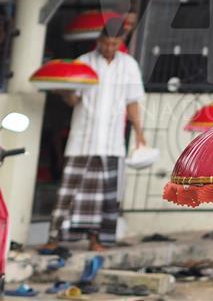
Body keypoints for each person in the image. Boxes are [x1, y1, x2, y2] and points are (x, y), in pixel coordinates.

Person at [41, 18, 146, 252]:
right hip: (82, 139)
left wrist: (139, 133)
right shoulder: (83, 63)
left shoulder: (129, 65)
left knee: (105, 197)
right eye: (106, 43)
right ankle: (55, 238)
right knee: (69, 192)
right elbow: (74, 100)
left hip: (111, 142)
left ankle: (96, 240)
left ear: (122, 42)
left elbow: (133, 102)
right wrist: (65, 92)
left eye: (114, 44)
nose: (109, 48)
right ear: (98, 41)